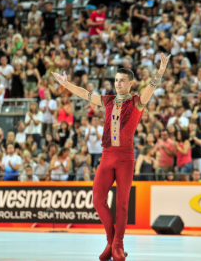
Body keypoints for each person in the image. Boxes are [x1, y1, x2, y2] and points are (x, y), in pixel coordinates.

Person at [51, 53, 171, 261]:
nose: (117, 83)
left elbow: (150, 88)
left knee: (122, 203)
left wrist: (160, 70)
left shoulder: (137, 102)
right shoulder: (107, 101)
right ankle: (111, 240)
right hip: (107, 156)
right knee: (97, 199)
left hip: (125, 158)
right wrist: (66, 84)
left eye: (122, 80)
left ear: (130, 84)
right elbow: (84, 94)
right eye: (116, 80)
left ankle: (118, 245)